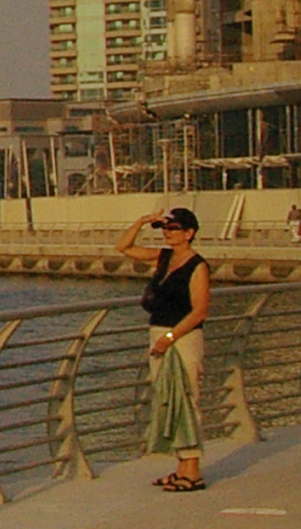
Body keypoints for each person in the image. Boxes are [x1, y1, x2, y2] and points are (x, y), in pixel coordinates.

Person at [115, 206, 212, 492]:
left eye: (174, 229)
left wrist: (169, 337)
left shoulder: (198, 266)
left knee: (187, 398)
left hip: (182, 338)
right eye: (166, 229)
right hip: (159, 334)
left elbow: (200, 311)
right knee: (169, 400)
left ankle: (193, 472)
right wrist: (143, 221)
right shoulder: (164, 257)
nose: (169, 234)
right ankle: (182, 466)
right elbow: (124, 247)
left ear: (189, 233)